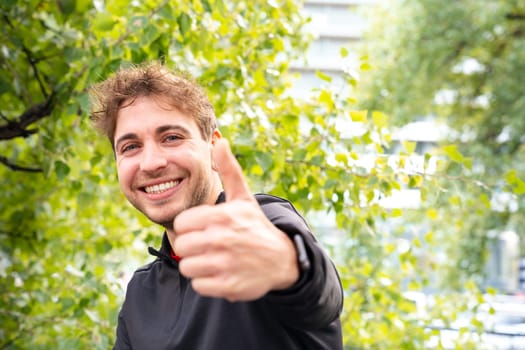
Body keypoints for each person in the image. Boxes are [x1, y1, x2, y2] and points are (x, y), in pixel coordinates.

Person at [90, 62, 343, 350]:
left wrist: (287, 265)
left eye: (171, 137)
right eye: (130, 147)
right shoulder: (140, 295)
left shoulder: (262, 224)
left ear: (213, 146)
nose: (151, 162)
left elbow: (322, 294)